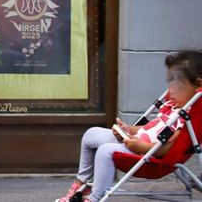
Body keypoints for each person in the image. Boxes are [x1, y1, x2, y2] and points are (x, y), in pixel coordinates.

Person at [56, 50, 202, 202]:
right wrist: (129, 130)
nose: (170, 88)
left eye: (177, 83)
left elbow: (168, 147)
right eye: (169, 81)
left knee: (105, 151)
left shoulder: (188, 116)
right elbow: (150, 128)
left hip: (148, 155)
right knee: (91, 134)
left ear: (198, 85)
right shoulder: (172, 105)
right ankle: (82, 183)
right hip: (135, 144)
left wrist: (141, 147)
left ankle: (94, 198)